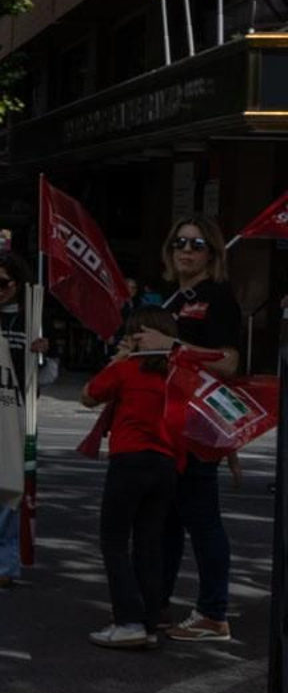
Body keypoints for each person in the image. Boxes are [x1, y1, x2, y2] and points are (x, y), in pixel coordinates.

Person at [143, 214, 241, 642]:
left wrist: (171, 345)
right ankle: (157, 603)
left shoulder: (218, 298)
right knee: (164, 519)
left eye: (197, 244)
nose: (186, 250)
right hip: (163, 423)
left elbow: (229, 362)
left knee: (202, 519)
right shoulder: (168, 299)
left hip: (198, 424)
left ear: (212, 253)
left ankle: (213, 613)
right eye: (179, 242)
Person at [80, 307, 183, 649]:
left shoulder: (126, 369)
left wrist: (117, 360)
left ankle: (127, 620)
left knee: (114, 541)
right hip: (165, 463)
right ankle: (149, 620)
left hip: (130, 459)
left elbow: (88, 395)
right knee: (149, 544)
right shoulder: (177, 374)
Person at [0, 252, 57, 589]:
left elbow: (48, 375)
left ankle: (3, 563)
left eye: (4, 283)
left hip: (17, 413)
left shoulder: (31, 319)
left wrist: (43, 353)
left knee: (9, 490)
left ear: (19, 285)